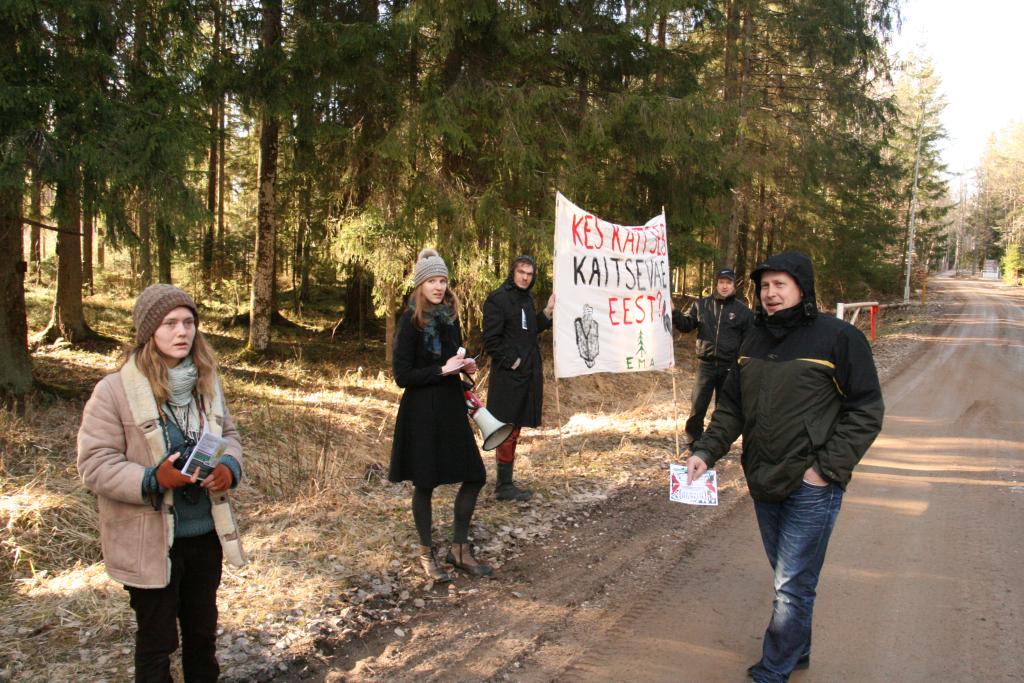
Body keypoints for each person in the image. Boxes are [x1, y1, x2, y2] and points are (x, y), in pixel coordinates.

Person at [684, 252, 884, 683]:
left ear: (802, 288)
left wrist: (826, 469)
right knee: (789, 576)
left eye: (780, 285)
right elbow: (731, 409)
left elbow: (866, 410)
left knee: (791, 584)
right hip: (763, 478)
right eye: (765, 286)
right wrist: (705, 451)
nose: (771, 294)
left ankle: (773, 669)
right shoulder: (752, 339)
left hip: (812, 485)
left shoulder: (838, 338)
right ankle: (799, 647)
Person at [77, 284, 245, 683]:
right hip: (149, 541)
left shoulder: (207, 383)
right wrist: (153, 478)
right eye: (170, 323)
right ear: (149, 331)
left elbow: (231, 437)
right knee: (157, 642)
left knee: (202, 636)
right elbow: (94, 464)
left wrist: (229, 468)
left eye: (188, 322)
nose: (181, 332)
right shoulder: (113, 391)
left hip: (204, 535)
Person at [389, 248, 492, 581]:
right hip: (421, 412)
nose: (438, 286)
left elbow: (453, 358)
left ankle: (459, 549)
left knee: (475, 474)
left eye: (443, 280)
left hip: (449, 407)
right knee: (425, 483)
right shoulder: (409, 320)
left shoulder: (450, 317)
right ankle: (426, 553)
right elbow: (402, 376)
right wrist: (440, 369)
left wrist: (465, 366)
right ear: (420, 285)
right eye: (432, 280)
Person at [482, 255, 555, 501]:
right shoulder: (498, 299)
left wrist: (547, 312)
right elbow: (491, 340)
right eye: (521, 272)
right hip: (508, 377)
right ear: (513, 272)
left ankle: (506, 481)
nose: (525, 277)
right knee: (506, 427)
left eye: (530, 274)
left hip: (527, 375)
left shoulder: (526, 299)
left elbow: (529, 329)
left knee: (516, 427)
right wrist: (513, 362)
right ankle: (503, 486)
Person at [672, 267, 752, 446]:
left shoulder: (743, 311)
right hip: (706, 365)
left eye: (728, 282)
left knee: (723, 409)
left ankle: (718, 442)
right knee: (698, 405)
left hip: (729, 366)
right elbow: (686, 325)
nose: (724, 286)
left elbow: (749, 340)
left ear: (734, 285)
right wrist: (674, 312)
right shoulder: (701, 305)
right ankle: (694, 441)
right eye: (721, 282)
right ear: (716, 284)